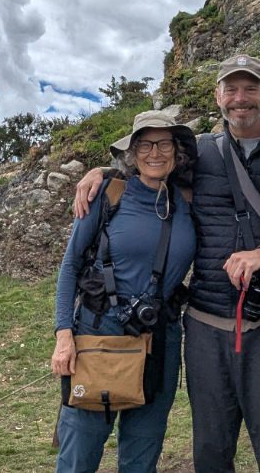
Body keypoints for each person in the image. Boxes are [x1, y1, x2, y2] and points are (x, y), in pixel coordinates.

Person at [73, 54, 260, 473]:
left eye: (250, 88)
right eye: (230, 89)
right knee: (210, 452)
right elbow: (150, 162)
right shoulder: (201, 153)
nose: (240, 99)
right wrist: (102, 171)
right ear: (217, 96)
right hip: (207, 323)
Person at [52, 110, 198, 473]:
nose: (155, 153)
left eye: (164, 144)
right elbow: (70, 265)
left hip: (159, 341)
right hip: (100, 337)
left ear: (177, 152)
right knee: (78, 457)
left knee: (141, 457)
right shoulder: (108, 192)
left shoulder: (188, 200)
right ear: (132, 153)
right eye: (145, 144)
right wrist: (63, 336)